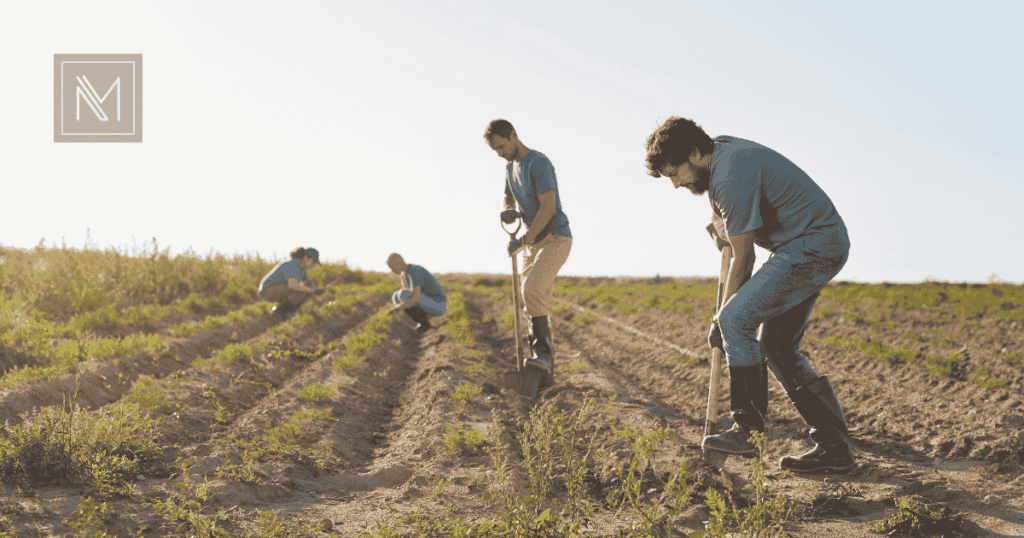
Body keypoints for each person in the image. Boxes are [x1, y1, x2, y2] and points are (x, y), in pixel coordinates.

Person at [644, 116, 855, 474]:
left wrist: (723, 317)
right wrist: (717, 228)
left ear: (695, 153)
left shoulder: (729, 176)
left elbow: (744, 258)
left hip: (811, 246)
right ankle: (835, 450)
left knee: (734, 319)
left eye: (675, 173)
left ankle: (746, 430)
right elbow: (725, 224)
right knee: (776, 346)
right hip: (811, 243)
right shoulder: (722, 157)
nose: (677, 184)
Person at [484, 119, 573, 388]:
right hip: (533, 243)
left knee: (532, 289)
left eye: (502, 146)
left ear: (513, 135)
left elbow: (547, 208)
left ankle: (542, 355)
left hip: (556, 238)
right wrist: (507, 208)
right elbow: (507, 196)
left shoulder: (539, 163)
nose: (500, 153)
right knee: (533, 299)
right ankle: (544, 367)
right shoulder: (510, 168)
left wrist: (522, 239)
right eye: (495, 150)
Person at [386, 253, 447, 333]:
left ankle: (424, 324)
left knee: (404, 294)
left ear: (400, 264)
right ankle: (419, 323)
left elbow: (415, 298)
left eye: (392, 268)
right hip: (427, 303)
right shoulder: (404, 275)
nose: (392, 271)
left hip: (439, 305)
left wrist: (398, 308)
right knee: (396, 297)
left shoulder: (415, 271)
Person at [258, 247, 325, 316]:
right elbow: (292, 285)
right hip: (266, 291)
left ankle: (283, 311)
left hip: (277, 289)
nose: (314, 265)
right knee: (302, 290)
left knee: (305, 291)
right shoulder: (293, 265)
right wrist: (313, 290)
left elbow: (308, 283)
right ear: (305, 258)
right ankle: (278, 312)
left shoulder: (302, 269)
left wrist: (315, 294)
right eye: (313, 262)